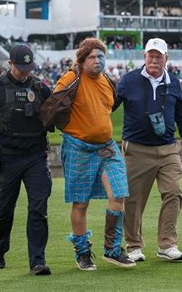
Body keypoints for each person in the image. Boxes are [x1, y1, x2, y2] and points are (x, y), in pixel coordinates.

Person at [0, 44, 53, 275]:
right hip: (8, 158)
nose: (25, 72)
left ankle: (37, 261)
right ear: (10, 64)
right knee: (4, 209)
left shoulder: (40, 87)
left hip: (36, 156)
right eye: (20, 68)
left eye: (28, 68)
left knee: (38, 209)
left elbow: (57, 113)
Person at [55, 38, 135, 271]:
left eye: (101, 56)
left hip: (107, 147)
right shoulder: (72, 78)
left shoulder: (107, 81)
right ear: (82, 59)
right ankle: (82, 252)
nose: (98, 60)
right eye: (92, 57)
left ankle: (112, 249)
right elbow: (54, 106)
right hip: (78, 148)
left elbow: (107, 108)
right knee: (81, 203)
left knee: (118, 193)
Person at [114, 38, 182, 262]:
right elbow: (110, 106)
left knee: (174, 192)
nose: (154, 60)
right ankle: (134, 245)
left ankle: (167, 244)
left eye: (159, 56)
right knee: (133, 199)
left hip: (168, 149)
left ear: (166, 59)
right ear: (144, 57)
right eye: (151, 55)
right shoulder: (129, 80)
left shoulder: (174, 83)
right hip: (136, 149)